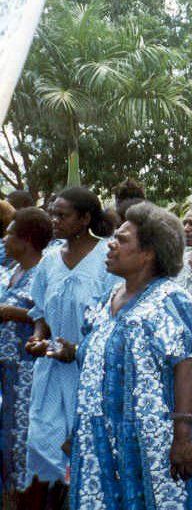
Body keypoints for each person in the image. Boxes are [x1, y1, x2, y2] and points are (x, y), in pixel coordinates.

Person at [70, 203, 192, 509]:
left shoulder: (170, 301)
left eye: (122, 240)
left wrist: (183, 436)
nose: (111, 244)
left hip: (155, 439)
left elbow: (187, 367)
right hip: (105, 436)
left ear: (148, 253)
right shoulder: (107, 300)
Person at [24, 187, 120, 504]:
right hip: (52, 370)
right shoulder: (49, 261)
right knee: (42, 446)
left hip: (89, 372)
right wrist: (39, 336)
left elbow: (115, 318)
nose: (54, 220)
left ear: (84, 219)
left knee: (84, 452)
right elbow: (40, 310)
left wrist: (79, 350)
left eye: (62, 215)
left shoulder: (108, 259)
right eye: (52, 214)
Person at [0, 208, 52, 504]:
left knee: (23, 438)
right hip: (6, 371)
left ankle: (26, 496)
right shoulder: (11, 270)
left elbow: (50, 316)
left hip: (26, 373)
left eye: (10, 234)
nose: (4, 239)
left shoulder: (43, 275)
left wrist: (13, 313)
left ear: (27, 240)